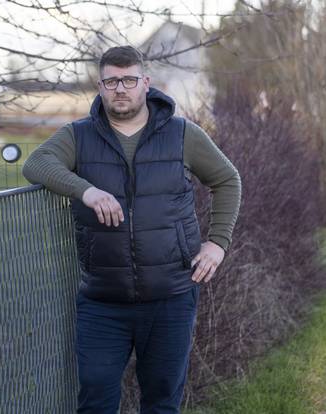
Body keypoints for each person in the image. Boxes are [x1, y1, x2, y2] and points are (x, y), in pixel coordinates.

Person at [22, 46, 241, 413]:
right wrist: (85, 190)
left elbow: (227, 180)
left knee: (161, 403)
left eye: (128, 80)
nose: (120, 89)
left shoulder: (182, 134)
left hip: (171, 297)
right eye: (111, 81)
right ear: (100, 86)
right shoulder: (79, 135)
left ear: (145, 83)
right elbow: (37, 163)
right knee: (95, 403)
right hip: (103, 302)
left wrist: (217, 243)